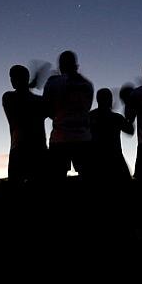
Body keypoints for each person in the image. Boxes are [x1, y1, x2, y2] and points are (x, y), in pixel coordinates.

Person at [43, 51, 94, 185]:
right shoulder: (88, 85)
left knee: (57, 179)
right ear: (76, 65)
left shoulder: (53, 83)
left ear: (60, 66)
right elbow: (86, 108)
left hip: (60, 138)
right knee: (88, 177)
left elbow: (47, 110)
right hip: (83, 137)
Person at [2, 65, 48, 185]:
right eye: (11, 77)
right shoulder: (38, 101)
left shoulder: (9, 97)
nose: (11, 80)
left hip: (20, 150)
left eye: (14, 77)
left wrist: (30, 85)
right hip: (37, 150)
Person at [89, 88, 134, 188]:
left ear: (97, 100)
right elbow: (130, 131)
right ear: (110, 100)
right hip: (114, 158)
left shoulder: (90, 116)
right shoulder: (116, 117)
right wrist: (130, 112)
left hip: (95, 159)